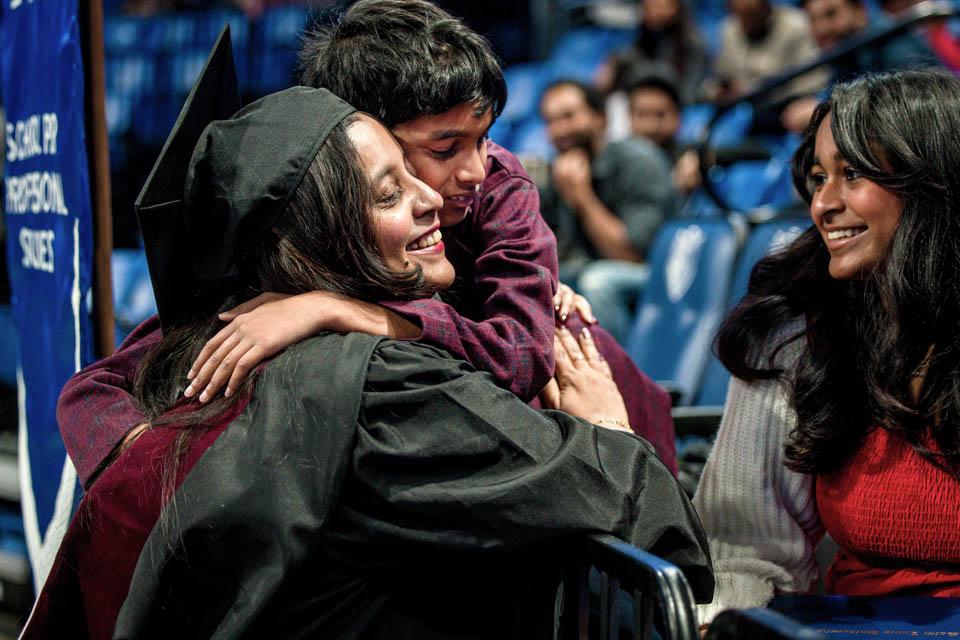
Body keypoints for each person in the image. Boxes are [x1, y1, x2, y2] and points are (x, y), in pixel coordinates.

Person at [24, 66, 713, 638]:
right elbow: (644, 514)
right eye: (391, 187)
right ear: (317, 241)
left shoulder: (212, 349)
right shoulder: (382, 392)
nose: (433, 198)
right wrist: (609, 427)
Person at [58, 0, 678, 488]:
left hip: (624, 441)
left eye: (482, 139)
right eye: (442, 149)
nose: (474, 172)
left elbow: (520, 358)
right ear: (356, 140)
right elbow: (101, 385)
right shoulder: (304, 218)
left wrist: (336, 311)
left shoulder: (497, 188)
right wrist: (145, 471)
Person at [692, 69, 960, 624]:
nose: (823, 205)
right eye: (818, 178)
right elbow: (746, 552)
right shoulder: (795, 333)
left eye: (852, 174)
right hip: (852, 626)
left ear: (931, 182)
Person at [539, 79, 677, 344]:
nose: (559, 130)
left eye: (568, 116)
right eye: (550, 121)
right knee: (538, 279)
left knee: (599, 281)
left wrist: (583, 199)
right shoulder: (561, 170)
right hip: (591, 267)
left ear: (600, 117)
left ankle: (618, 378)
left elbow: (631, 255)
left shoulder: (639, 161)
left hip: (656, 271)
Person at [780, 0, 940, 133]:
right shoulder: (844, 57)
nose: (822, 29)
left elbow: (921, 113)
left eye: (831, 14)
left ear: (859, 11)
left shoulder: (897, 46)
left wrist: (830, 113)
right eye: (813, 20)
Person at [712, 0, 828, 104]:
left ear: (766, 6)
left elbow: (811, 83)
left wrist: (751, 90)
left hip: (782, 107)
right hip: (741, 109)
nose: (747, 22)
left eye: (752, 14)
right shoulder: (729, 29)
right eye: (740, 15)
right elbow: (721, 78)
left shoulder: (796, 26)